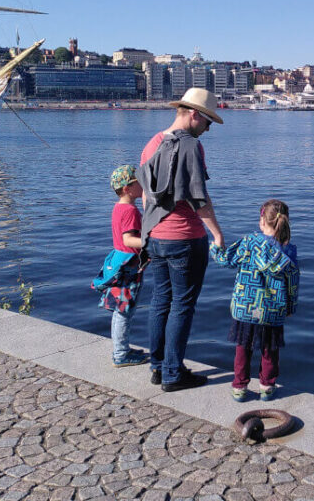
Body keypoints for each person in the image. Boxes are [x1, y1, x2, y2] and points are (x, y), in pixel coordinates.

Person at [139, 87, 225, 392]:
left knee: (160, 301)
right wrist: (217, 234)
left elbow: (146, 196)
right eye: (208, 122)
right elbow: (198, 198)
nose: (208, 129)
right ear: (194, 115)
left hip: (155, 236)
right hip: (185, 238)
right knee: (182, 305)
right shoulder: (190, 146)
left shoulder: (153, 142)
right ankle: (174, 373)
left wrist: (150, 232)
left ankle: (158, 366)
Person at [210, 198, 299, 402]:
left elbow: (226, 260)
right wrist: (291, 307)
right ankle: (267, 387)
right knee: (270, 349)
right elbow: (293, 284)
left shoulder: (249, 242)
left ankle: (240, 387)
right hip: (272, 310)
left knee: (243, 347)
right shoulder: (289, 251)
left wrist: (214, 248)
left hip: (246, 306)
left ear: (262, 221)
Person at [91, 164, 149, 367]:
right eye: (138, 183)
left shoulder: (118, 207)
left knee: (120, 310)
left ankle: (121, 348)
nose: (142, 185)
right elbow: (128, 240)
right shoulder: (130, 210)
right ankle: (121, 354)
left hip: (119, 263)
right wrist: (152, 242)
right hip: (129, 267)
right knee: (125, 311)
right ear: (127, 188)